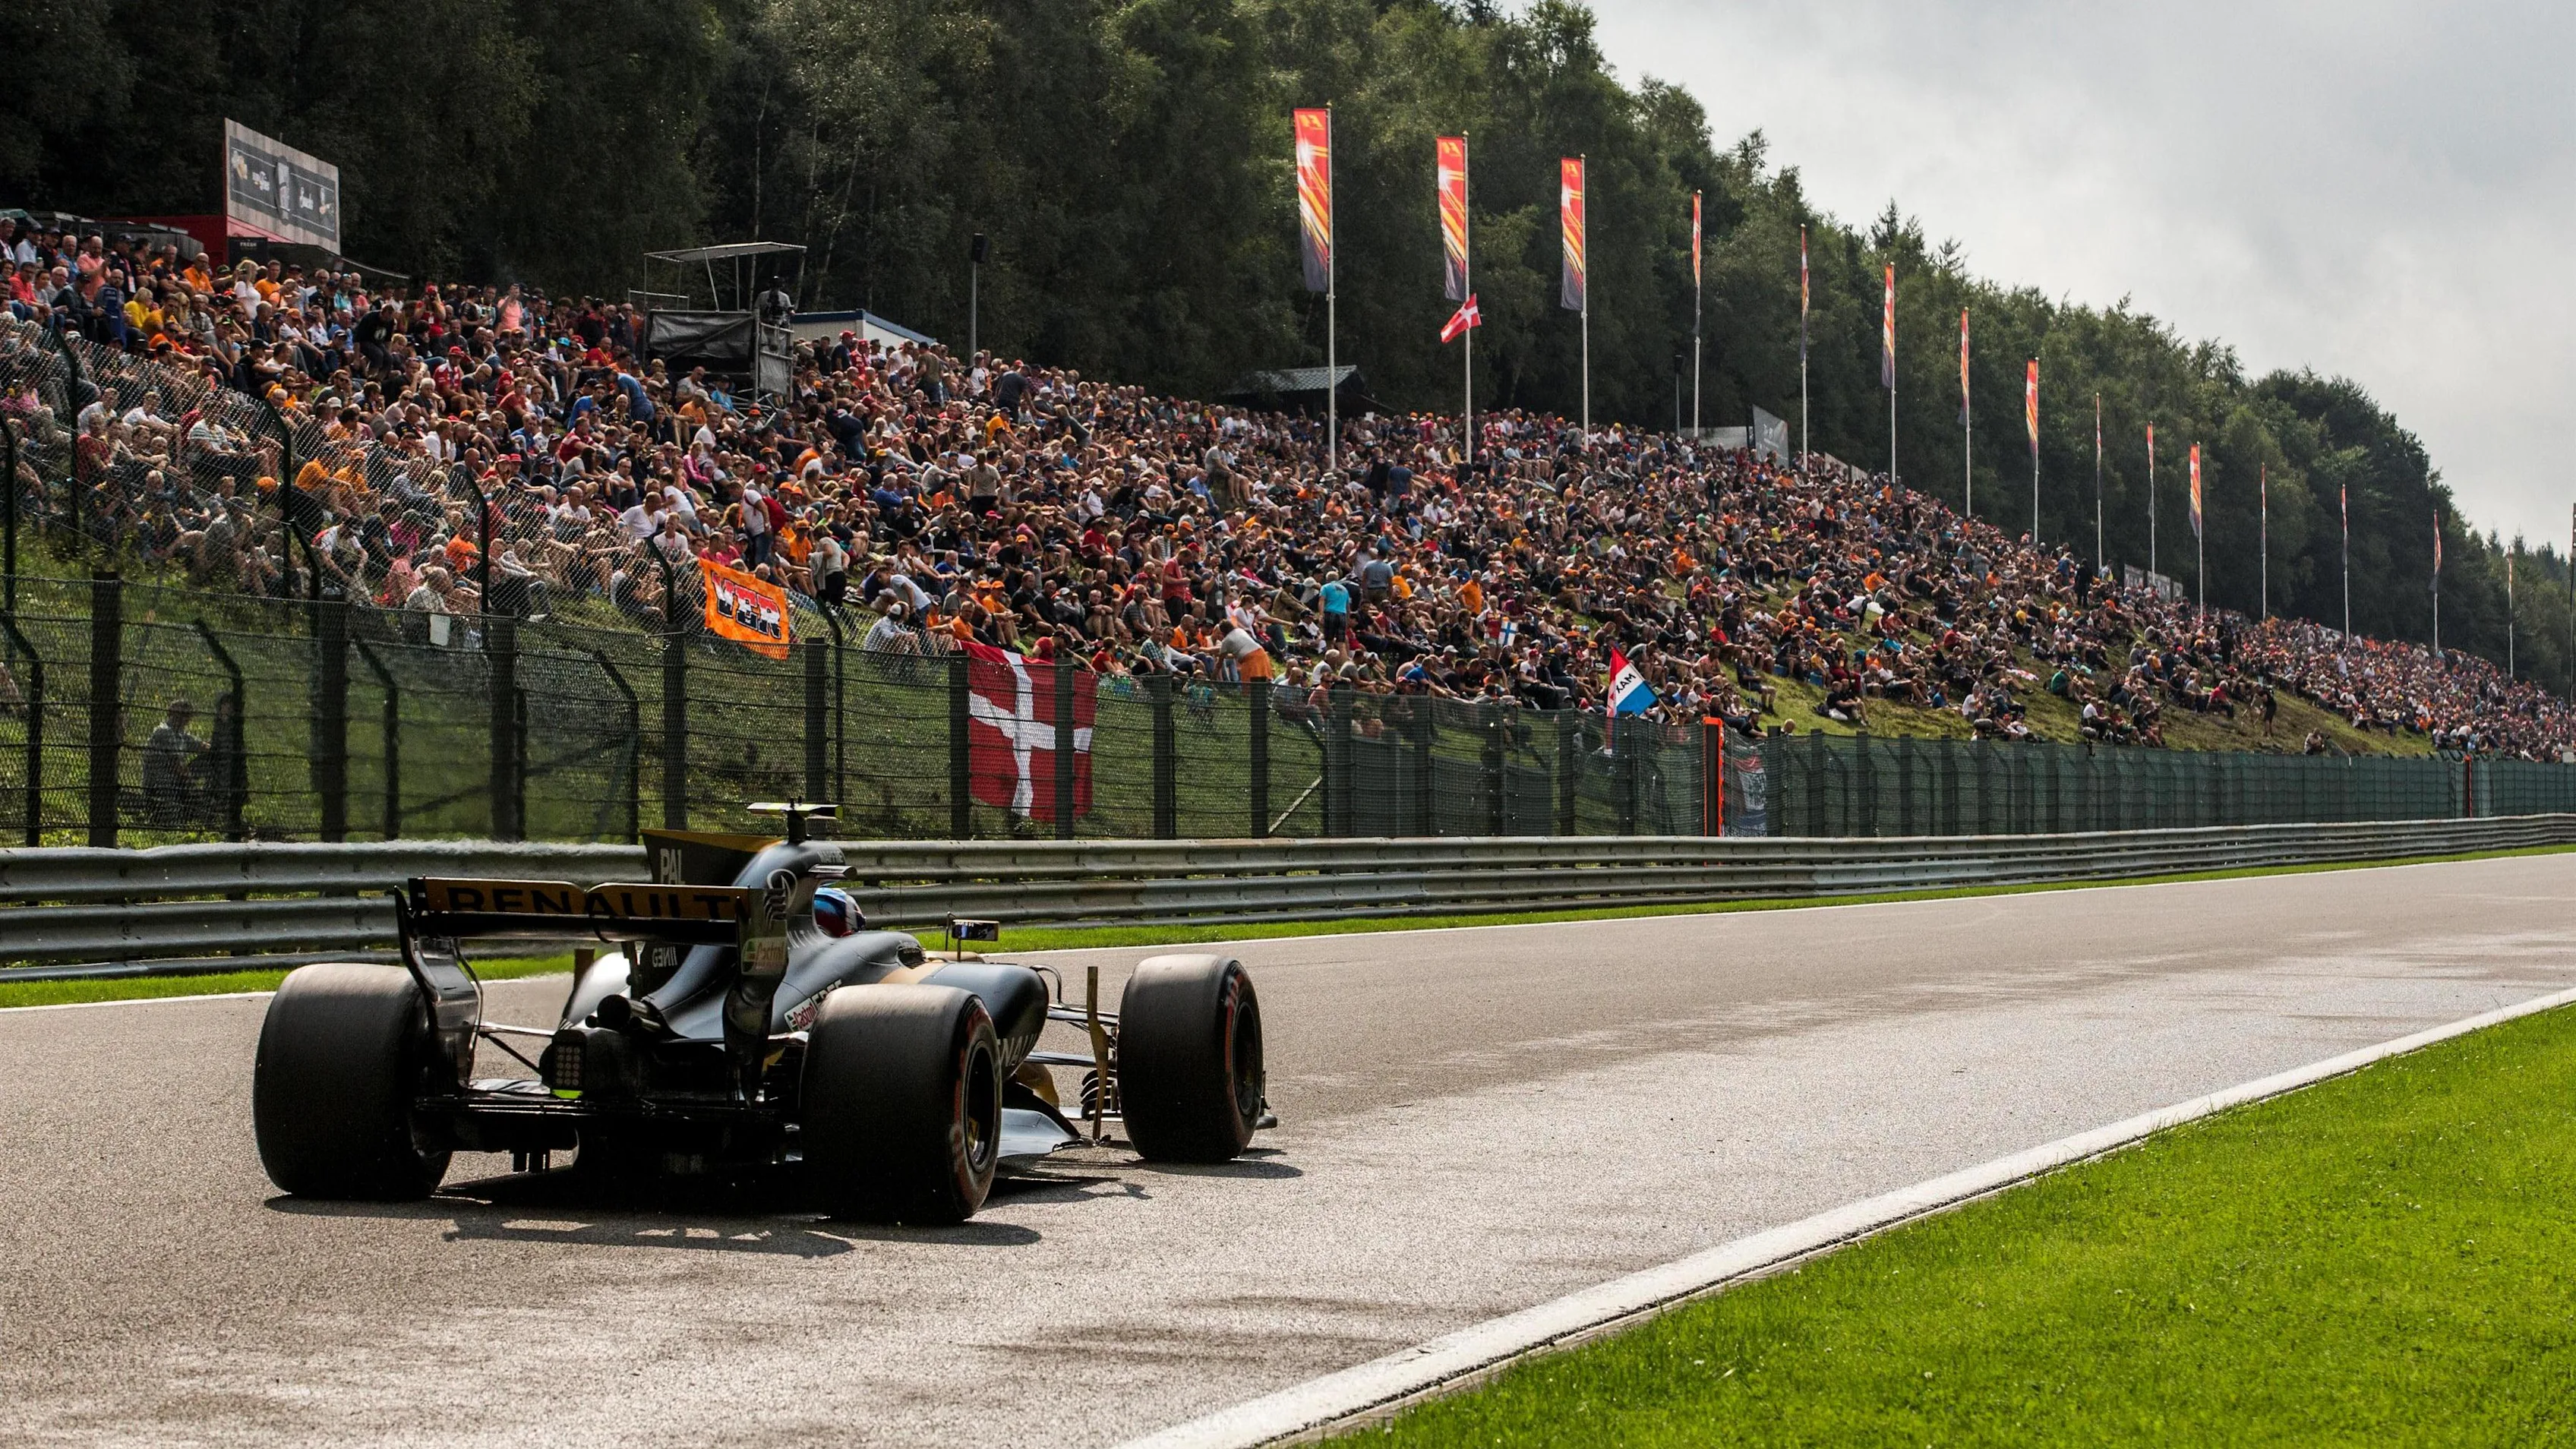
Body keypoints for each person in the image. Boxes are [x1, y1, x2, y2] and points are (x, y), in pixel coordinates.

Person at [141, 699, 208, 826]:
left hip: (175, 782)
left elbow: (200, 745)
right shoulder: (165, 732)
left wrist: (217, 748)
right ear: (171, 714)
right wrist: (193, 788)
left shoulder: (180, 735)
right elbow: (177, 766)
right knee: (172, 821)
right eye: (180, 715)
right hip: (160, 785)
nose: (183, 719)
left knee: (206, 759)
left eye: (187, 716)